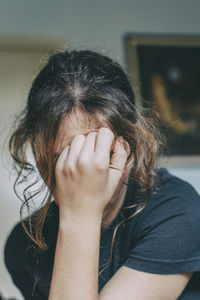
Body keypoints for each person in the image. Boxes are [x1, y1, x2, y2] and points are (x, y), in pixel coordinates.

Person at [4, 49, 200, 300]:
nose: (87, 169)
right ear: (35, 149)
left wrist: (80, 214)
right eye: (66, 157)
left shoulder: (177, 211)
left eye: (101, 153)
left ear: (133, 141)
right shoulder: (23, 246)